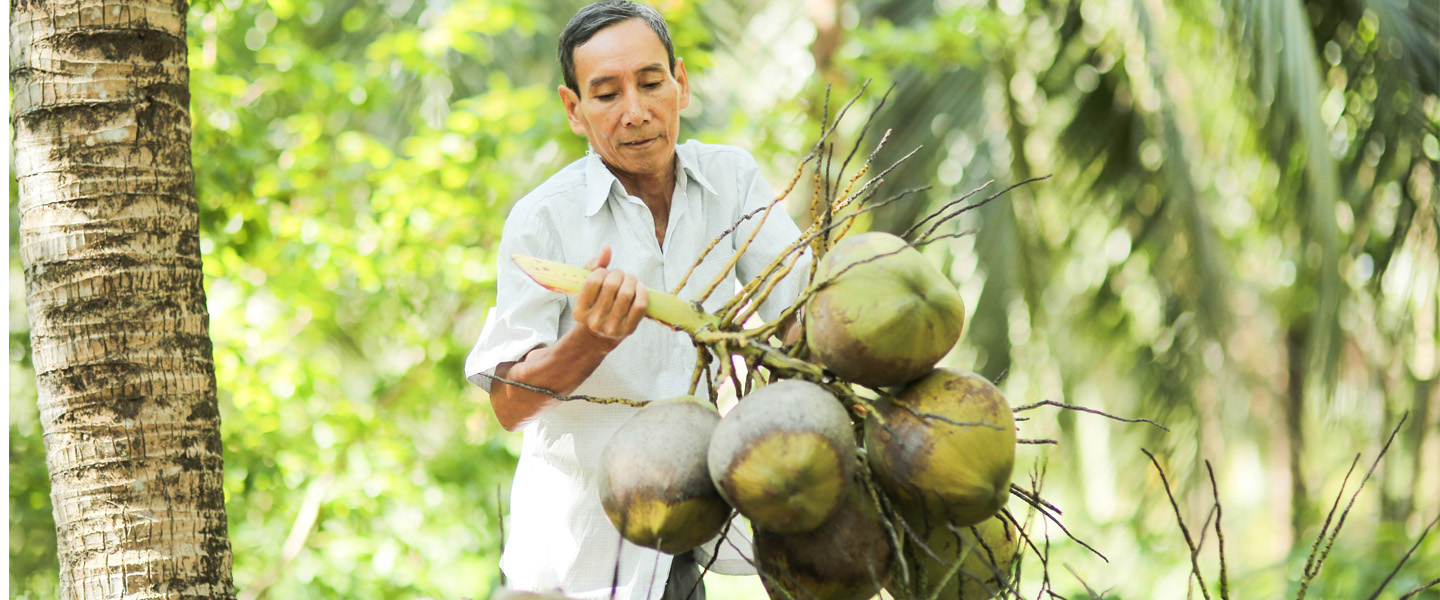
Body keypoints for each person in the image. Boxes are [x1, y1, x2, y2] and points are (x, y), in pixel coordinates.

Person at [464, 2, 810, 599]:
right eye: (605, 94)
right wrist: (590, 341)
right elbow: (509, 407)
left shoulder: (731, 182)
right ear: (574, 110)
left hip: (680, 546)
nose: (635, 112)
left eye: (651, 84)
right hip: (570, 566)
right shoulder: (543, 221)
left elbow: (803, 316)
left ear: (681, 83)